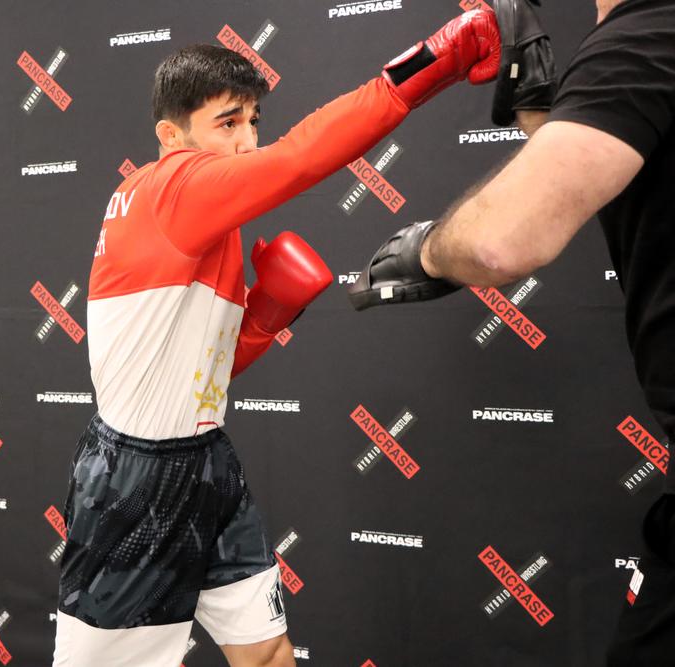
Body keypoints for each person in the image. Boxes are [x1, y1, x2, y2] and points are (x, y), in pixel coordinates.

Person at [52, 10, 501, 667]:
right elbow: (299, 158)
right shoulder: (169, 188)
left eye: (252, 121)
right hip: (134, 480)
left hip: (205, 459)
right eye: (226, 123)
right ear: (171, 137)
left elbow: (210, 370)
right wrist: (434, 63)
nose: (247, 141)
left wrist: (265, 315)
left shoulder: (207, 223)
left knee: (265, 652)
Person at [348, 1, 675, 664]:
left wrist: (428, 251)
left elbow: (500, 241)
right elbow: (592, 170)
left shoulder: (646, 33)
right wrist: (537, 94)